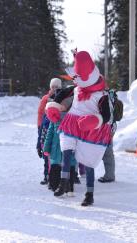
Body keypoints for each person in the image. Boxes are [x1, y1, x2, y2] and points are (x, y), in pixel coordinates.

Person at [46, 50, 112, 206]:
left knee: (87, 161)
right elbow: (61, 94)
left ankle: (89, 193)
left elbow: (107, 115)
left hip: (90, 127)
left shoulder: (101, 95)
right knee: (66, 150)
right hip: (72, 121)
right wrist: (53, 106)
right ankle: (63, 182)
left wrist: (96, 120)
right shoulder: (76, 89)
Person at [43, 93, 76, 195]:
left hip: (67, 149)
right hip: (56, 150)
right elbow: (49, 135)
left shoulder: (72, 119)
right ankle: (56, 185)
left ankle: (68, 188)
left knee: (68, 168)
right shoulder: (54, 120)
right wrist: (46, 148)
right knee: (56, 168)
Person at [36, 78, 62, 185]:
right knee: (47, 155)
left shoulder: (62, 98)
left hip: (57, 130)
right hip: (45, 129)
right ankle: (47, 175)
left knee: (57, 155)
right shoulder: (45, 98)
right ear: (50, 87)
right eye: (53, 87)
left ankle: (58, 176)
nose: (55, 89)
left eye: (57, 87)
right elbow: (40, 113)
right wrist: (39, 126)